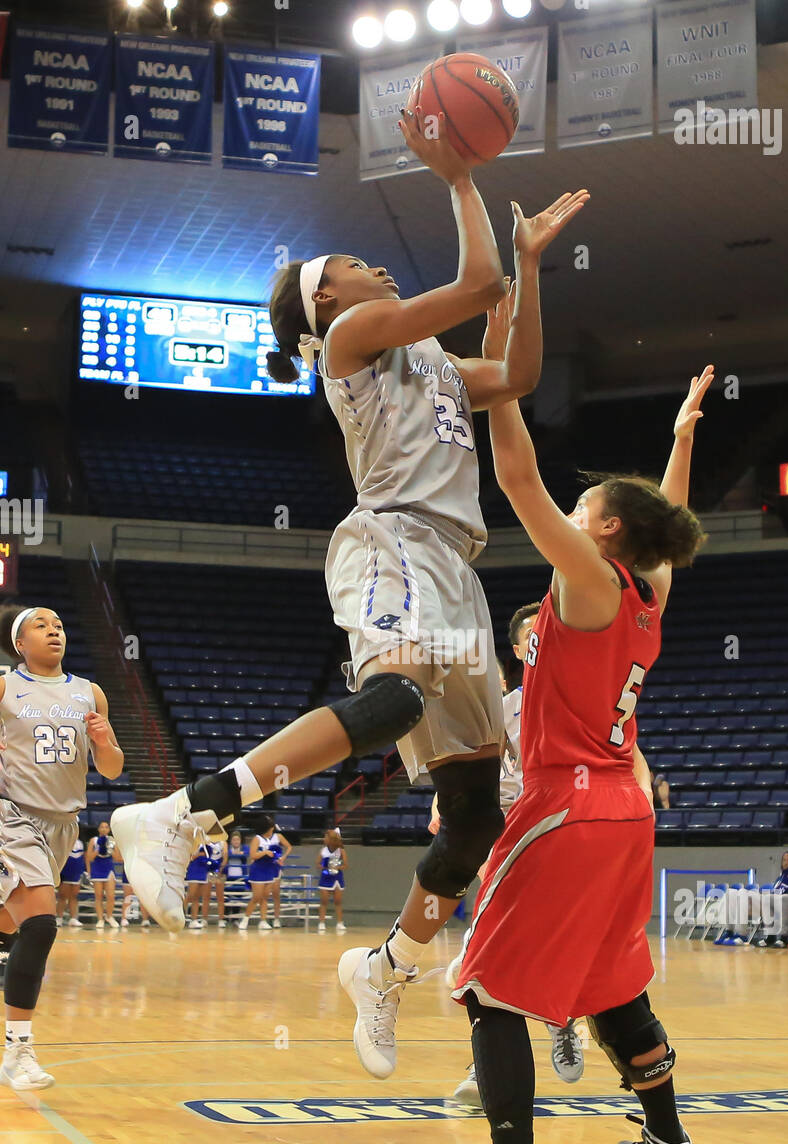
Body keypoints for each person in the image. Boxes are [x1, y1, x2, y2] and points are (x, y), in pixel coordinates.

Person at [111, 111, 589, 1083]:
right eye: (356, 260)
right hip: (393, 539)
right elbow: (474, 285)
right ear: (323, 295)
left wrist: (530, 268)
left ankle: (384, 966)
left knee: (472, 818)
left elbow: (521, 373)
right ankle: (181, 815)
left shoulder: (433, 364)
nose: (375, 266)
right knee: (395, 697)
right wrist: (459, 179)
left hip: (453, 568)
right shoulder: (354, 336)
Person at [420, 317, 711, 1144]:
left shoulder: (587, 580)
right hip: (626, 807)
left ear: (607, 531)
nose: (574, 513)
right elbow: (665, 522)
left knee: (487, 988)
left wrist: (503, 383)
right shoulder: (646, 590)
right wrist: (682, 435)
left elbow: (515, 480)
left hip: (568, 804)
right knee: (615, 985)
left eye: (589, 509)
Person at [443, 600, 585, 1107]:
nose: (540, 639)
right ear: (520, 648)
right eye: (531, 634)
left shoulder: (582, 698)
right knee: (493, 949)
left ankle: (565, 1020)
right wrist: (448, 805)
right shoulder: (504, 710)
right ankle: (486, 1065)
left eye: (547, 631)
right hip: (512, 836)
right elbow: (473, 774)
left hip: (570, 832)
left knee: (568, 945)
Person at [0, 605, 124, 1092]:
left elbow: (112, 769)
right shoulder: (7, 686)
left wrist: (106, 739)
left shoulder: (88, 692)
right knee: (41, 923)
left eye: (59, 626)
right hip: (13, 814)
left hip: (63, 825)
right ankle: (18, 1050)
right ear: (20, 643)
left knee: (14, 923)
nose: (54, 631)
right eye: (41, 626)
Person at [750, 850, 788, 948]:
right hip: (779, 904)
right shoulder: (780, 878)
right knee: (767, 900)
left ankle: (784, 938)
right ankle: (770, 937)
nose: (785, 862)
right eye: (784, 860)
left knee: (782, 901)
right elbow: (775, 893)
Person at [237, 820, 283, 931]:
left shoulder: (271, 840)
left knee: (265, 897)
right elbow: (253, 855)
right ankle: (245, 919)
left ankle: (263, 921)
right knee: (257, 897)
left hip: (269, 870)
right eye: (271, 828)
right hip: (258, 870)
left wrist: (277, 857)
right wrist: (265, 852)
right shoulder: (257, 839)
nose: (272, 830)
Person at [85, 821, 119, 930]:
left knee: (110, 896)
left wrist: (109, 850)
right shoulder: (93, 840)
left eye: (106, 827)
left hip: (109, 868)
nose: (104, 829)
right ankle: (100, 919)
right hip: (97, 869)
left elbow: (118, 858)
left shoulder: (113, 841)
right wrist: (98, 849)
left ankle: (109, 916)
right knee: (98, 896)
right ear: (99, 829)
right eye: (102, 827)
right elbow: (89, 857)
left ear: (109, 829)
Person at [318, 828, 347, 934]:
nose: (324, 839)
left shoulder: (341, 851)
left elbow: (346, 865)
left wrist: (337, 868)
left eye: (326, 837)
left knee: (338, 901)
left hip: (337, 878)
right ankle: (321, 922)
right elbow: (318, 864)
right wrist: (325, 868)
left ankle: (340, 922)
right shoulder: (323, 851)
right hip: (325, 878)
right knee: (324, 901)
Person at [264, 824, 292, 928]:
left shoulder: (278, 836)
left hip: (275, 867)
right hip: (264, 866)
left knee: (276, 894)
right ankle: (264, 919)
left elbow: (289, 847)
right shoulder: (260, 837)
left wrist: (283, 858)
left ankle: (276, 919)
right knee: (264, 895)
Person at [57, 837, 85, 927]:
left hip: (76, 872)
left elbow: (82, 857)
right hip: (65, 871)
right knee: (62, 896)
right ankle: (59, 918)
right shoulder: (63, 841)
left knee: (74, 896)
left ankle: (73, 918)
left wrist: (82, 871)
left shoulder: (80, 842)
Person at [184, 841, 211, 931]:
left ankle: (194, 920)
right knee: (190, 895)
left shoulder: (206, 845)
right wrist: (199, 854)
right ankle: (178, 915)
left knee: (197, 897)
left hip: (203, 871)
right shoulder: (190, 843)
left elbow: (209, 856)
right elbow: (189, 858)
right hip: (193, 870)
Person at [224, 829, 249, 924]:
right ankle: (226, 918)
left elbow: (247, 853)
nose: (236, 842)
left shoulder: (244, 847)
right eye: (234, 840)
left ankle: (235, 918)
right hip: (229, 877)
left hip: (240, 877)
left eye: (237, 840)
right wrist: (236, 854)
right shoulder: (227, 848)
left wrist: (238, 854)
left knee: (238, 898)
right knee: (227, 898)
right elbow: (226, 854)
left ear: (240, 841)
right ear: (231, 841)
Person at [203, 839, 228, 928]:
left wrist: (220, 869)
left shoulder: (223, 843)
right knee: (206, 896)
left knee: (220, 896)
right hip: (208, 869)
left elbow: (225, 857)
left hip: (220, 870)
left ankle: (221, 919)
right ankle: (204, 919)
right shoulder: (206, 842)